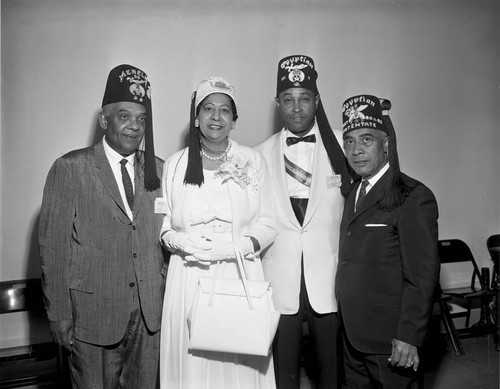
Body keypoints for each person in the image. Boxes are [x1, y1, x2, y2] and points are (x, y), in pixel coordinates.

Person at [38, 64, 167, 388]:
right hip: (93, 318)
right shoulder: (70, 168)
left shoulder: (160, 170)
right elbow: (53, 248)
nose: (134, 127)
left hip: (150, 317)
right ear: (104, 119)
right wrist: (59, 314)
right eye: (125, 116)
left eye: (141, 119)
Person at [159, 76, 277, 388]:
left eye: (225, 110)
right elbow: (165, 226)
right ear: (196, 118)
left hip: (238, 272)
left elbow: (268, 223)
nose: (216, 116)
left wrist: (236, 247)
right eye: (208, 109)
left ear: (234, 120)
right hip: (188, 274)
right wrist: (183, 242)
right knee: (193, 366)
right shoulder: (174, 165)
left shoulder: (252, 161)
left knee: (238, 360)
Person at [255, 55, 353, 389]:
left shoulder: (344, 145)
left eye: (305, 99)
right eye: (288, 100)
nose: (297, 108)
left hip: (330, 277)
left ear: (317, 101)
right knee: (285, 374)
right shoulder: (258, 155)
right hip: (280, 281)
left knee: (332, 373)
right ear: (277, 103)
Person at [336, 94, 440, 388]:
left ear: (385, 144)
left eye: (366, 139)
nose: (356, 150)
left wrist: (409, 335)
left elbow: (421, 276)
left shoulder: (412, 195)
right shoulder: (354, 193)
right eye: (350, 141)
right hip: (353, 335)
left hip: (390, 340)